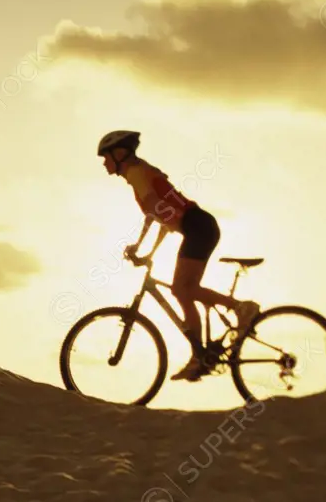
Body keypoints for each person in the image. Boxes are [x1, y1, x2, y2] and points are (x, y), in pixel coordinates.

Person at [97, 130, 260, 381]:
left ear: (119, 154)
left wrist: (139, 246)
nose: (104, 163)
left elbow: (154, 212)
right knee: (183, 290)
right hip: (198, 227)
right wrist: (148, 251)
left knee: (183, 289)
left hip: (197, 227)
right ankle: (200, 357)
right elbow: (163, 219)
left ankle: (241, 308)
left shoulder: (136, 173)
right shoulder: (142, 172)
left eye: (106, 157)